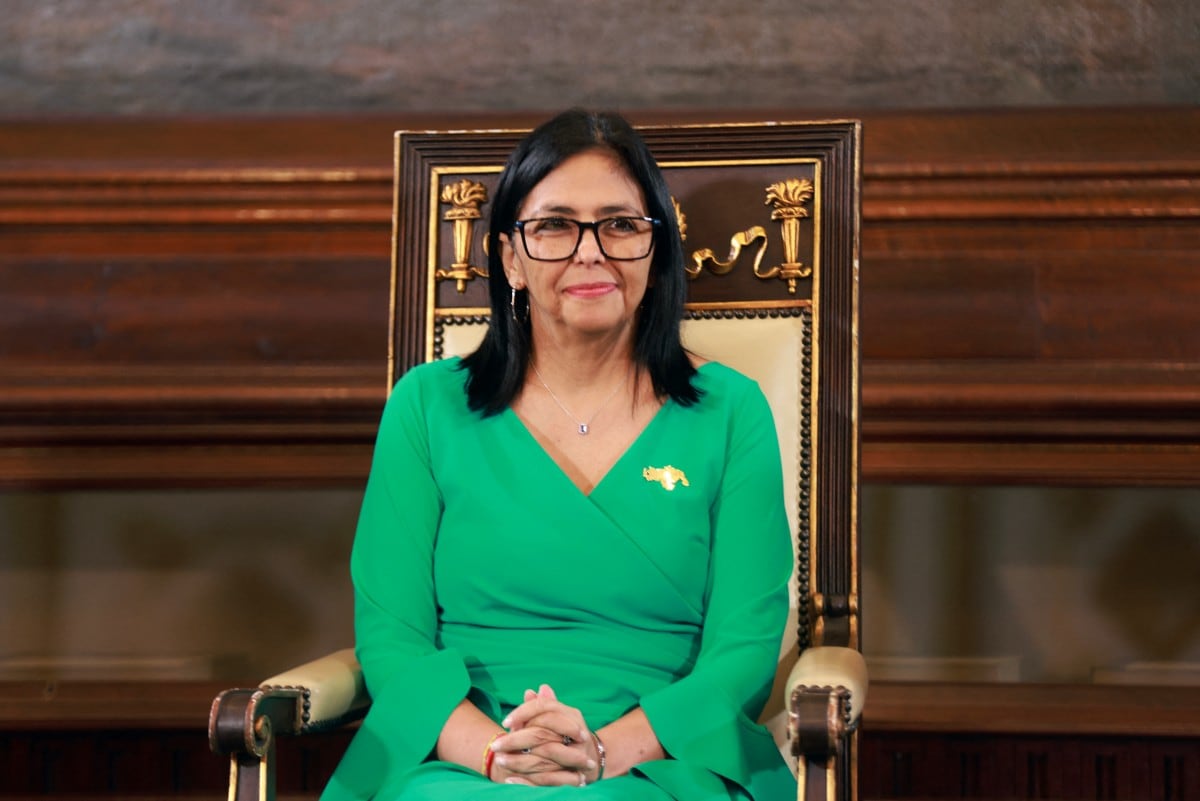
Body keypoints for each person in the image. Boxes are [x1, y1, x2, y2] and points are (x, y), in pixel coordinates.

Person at [321, 109, 796, 800]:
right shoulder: (425, 407)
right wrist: (501, 756)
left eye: (621, 224)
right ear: (510, 257)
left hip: (657, 760)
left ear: (656, 253)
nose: (590, 251)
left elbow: (744, 647)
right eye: (554, 225)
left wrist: (599, 753)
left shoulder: (732, 412)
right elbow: (393, 639)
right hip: (459, 758)